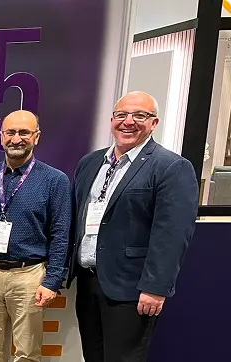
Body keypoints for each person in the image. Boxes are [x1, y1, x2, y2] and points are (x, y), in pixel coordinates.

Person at [66, 91, 199, 362]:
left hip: (131, 287)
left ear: (154, 123)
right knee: (93, 356)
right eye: (122, 115)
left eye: (140, 115)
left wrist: (155, 288)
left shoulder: (171, 167)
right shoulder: (90, 163)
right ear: (112, 120)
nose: (129, 121)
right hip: (89, 281)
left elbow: (172, 235)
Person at [0, 110, 72, 362]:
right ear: (1, 137)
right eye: (11, 132)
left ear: (36, 137)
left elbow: (61, 234)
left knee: (28, 354)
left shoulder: (55, 180)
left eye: (24, 132)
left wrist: (52, 281)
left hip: (29, 275)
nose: (16, 139)